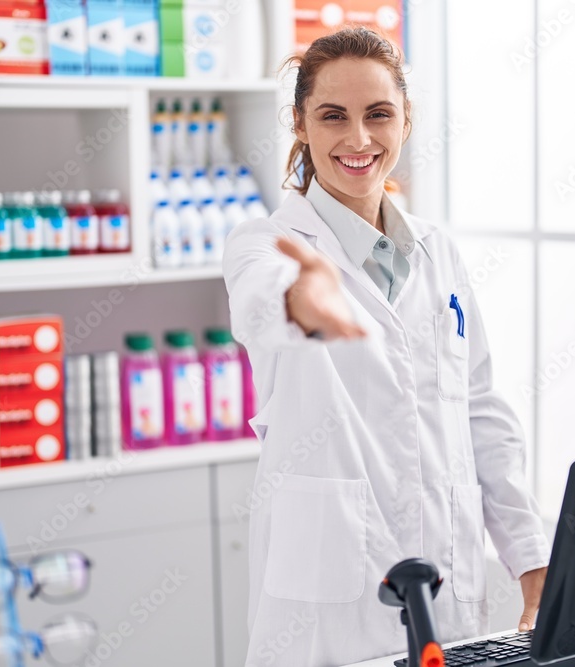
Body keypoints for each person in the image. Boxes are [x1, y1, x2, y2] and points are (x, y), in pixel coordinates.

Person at [223, 26, 550, 667]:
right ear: (299, 124)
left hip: (449, 588)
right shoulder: (266, 242)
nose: (359, 139)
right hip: (330, 605)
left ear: (405, 119)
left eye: (378, 115)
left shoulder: (436, 249)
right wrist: (301, 299)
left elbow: (480, 410)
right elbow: (261, 299)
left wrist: (531, 561)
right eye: (332, 116)